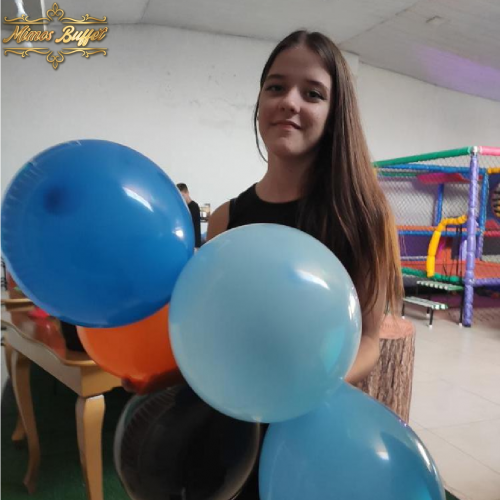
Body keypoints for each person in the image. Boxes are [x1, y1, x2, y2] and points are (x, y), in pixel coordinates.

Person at [208, 30, 402, 387]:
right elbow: (211, 329)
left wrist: (308, 389)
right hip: (230, 402)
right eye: (276, 87)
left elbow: (368, 340)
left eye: (312, 94)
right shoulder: (225, 221)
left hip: (312, 409)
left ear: (334, 114)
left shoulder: (361, 218)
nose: (289, 102)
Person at [177, 183, 202, 248]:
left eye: (182, 196)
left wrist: (196, 246)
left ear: (187, 193)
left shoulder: (194, 206)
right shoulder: (183, 207)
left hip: (194, 243)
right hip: (188, 242)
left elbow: (192, 227)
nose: (181, 199)